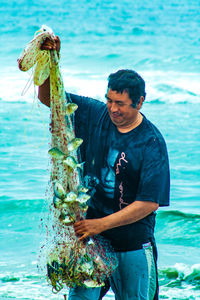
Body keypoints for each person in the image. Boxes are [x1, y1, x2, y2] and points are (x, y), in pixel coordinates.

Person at [39, 37, 170, 300]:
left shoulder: (151, 143)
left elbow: (148, 203)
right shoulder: (94, 113)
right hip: (91, 243)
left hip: (132, 243)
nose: (112, 109)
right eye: (109, 100)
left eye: (120, 104)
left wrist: (99, 224)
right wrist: (51, 60)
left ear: (139, 102)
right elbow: (48, 98)